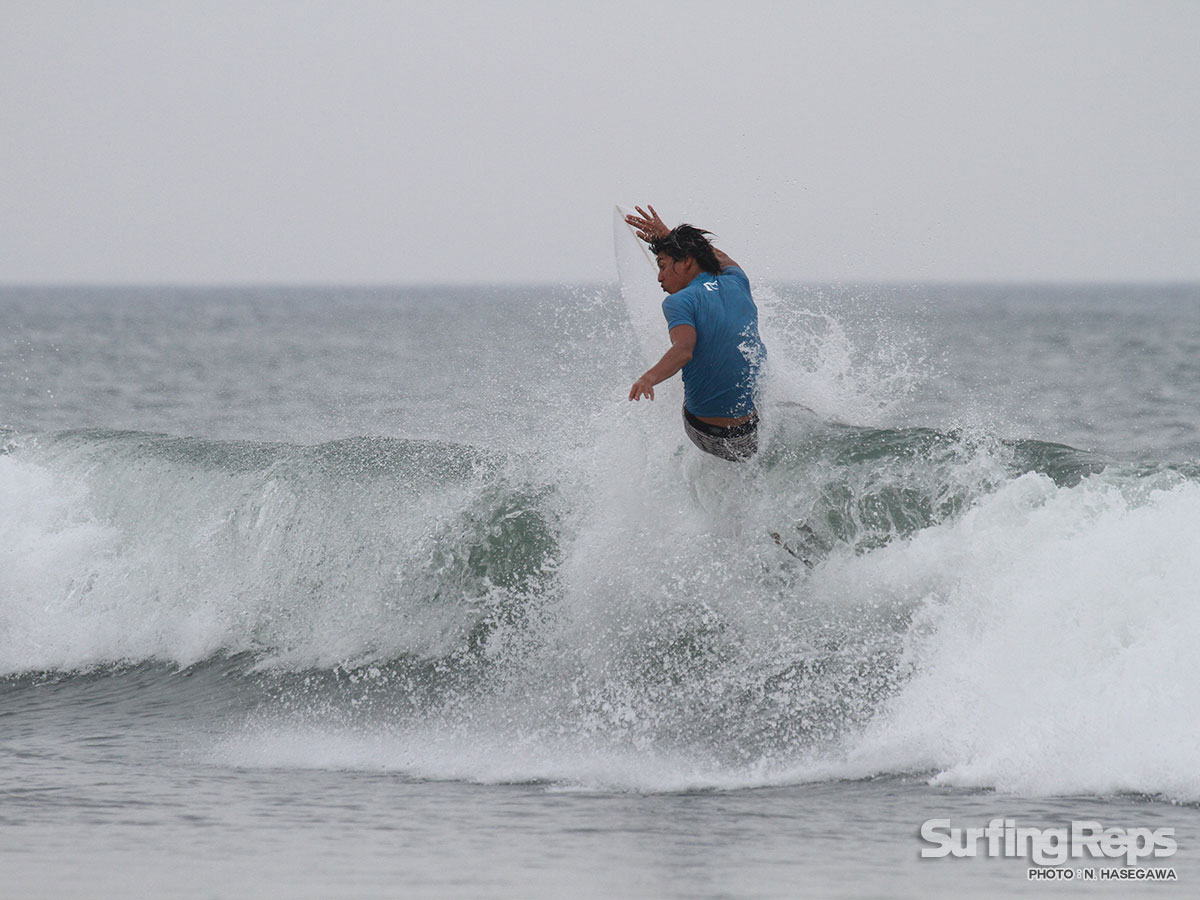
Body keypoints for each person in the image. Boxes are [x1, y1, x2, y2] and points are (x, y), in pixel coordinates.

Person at [626, 205, 766, 461]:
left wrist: (648, 378)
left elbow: (683, 350)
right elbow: (721, 258)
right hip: (751, 432)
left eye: (663, 265)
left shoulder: (678, 301)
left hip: (706, 434)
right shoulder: (738, 280)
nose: (659, 277)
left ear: (687, 261)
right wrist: (670, 237)